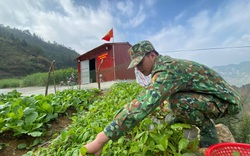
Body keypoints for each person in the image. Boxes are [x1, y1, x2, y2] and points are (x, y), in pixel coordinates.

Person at [79, 40, 242, 155]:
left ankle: (209, 137)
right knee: (169, 102)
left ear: (152, 55)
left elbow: (144, 104)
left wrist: (101, 139)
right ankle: (185, 119)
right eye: (135, 66)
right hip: (212, 97)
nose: (139, 69)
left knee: (178, 103)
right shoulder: (164, 66)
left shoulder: (166, 71)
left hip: (227, 102)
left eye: (140, 63)